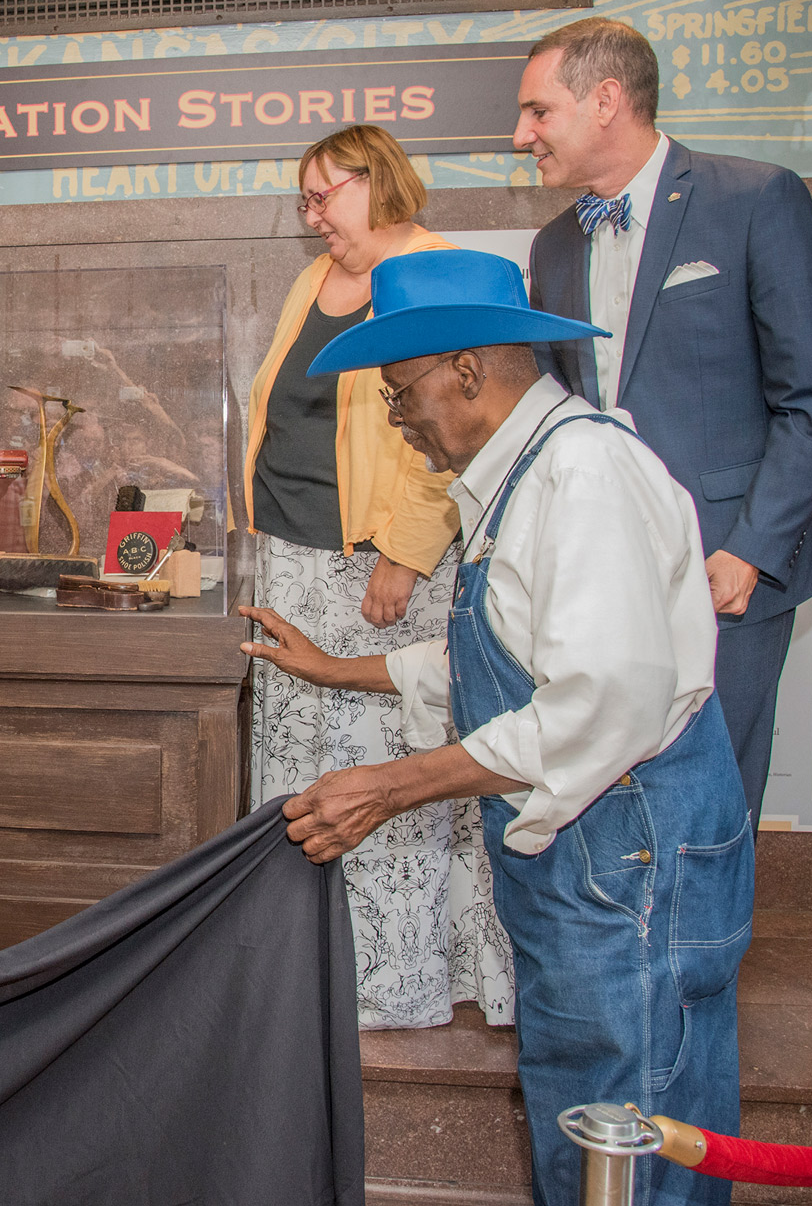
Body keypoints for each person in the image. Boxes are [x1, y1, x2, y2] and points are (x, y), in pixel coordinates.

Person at [242, 248, 753, 1206]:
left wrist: (394, 785)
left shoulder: (585, 476)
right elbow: (496, 660)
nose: (400, 424)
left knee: (629, 1140)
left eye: (400, 397)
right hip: (586, 871)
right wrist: (334, 667)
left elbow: (598, 701)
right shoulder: (524, 473)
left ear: (466, 372)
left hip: (631, 864)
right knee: (581, 1127)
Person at [514, 17, 812, 818]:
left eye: (537, 110)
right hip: (602, 575)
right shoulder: (553, 247)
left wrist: (752, 550)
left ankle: (706, 951)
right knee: (617, 796)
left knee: (712, 796)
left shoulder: (756, 199)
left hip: (724, 569)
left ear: (606, 99)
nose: (521, 133)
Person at [244, 124, 513, 1030]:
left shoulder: (436, 270)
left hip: (384, 570)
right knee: (300, 770)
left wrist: (405, 547)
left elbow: (444, 430)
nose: (313, 216)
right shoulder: (311, 281)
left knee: (385, 773)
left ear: (378, 180)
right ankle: (301, 963)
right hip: (293, 556)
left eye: (325, 195)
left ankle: (390, 983)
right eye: (305, 201)